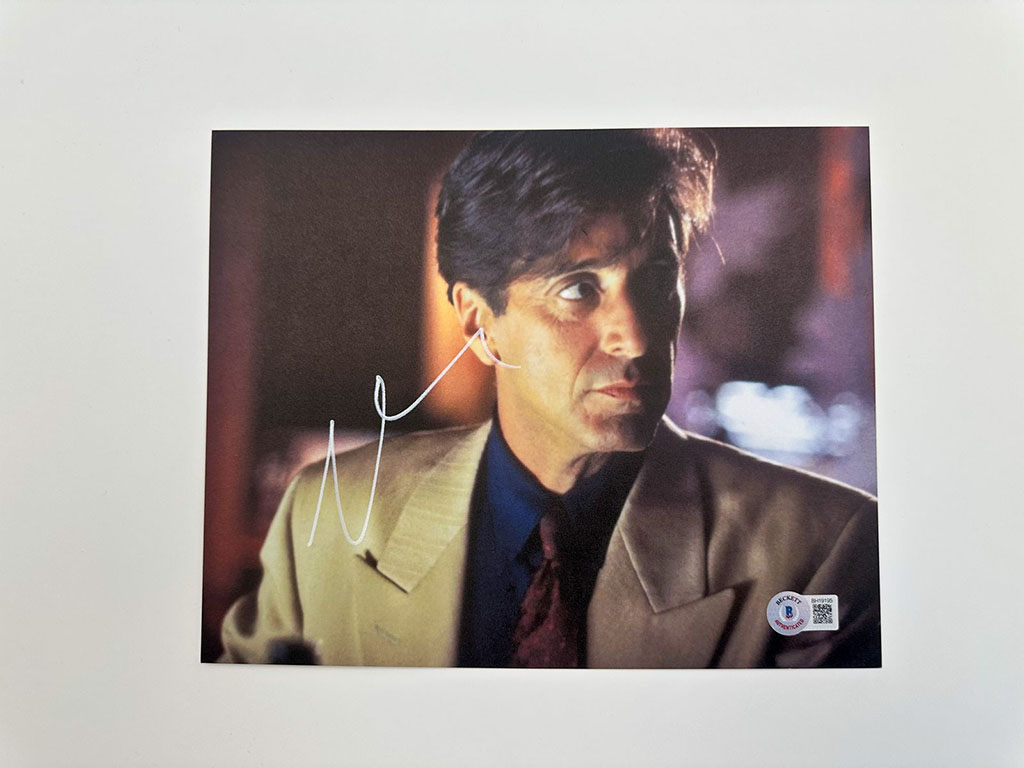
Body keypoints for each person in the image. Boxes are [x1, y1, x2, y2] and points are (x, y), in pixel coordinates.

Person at [219, 129, 881, 668]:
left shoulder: (820, 549)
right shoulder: (328, 513)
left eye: (656, 278)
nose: (635, 336)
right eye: (578, 289)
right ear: (479, 322)